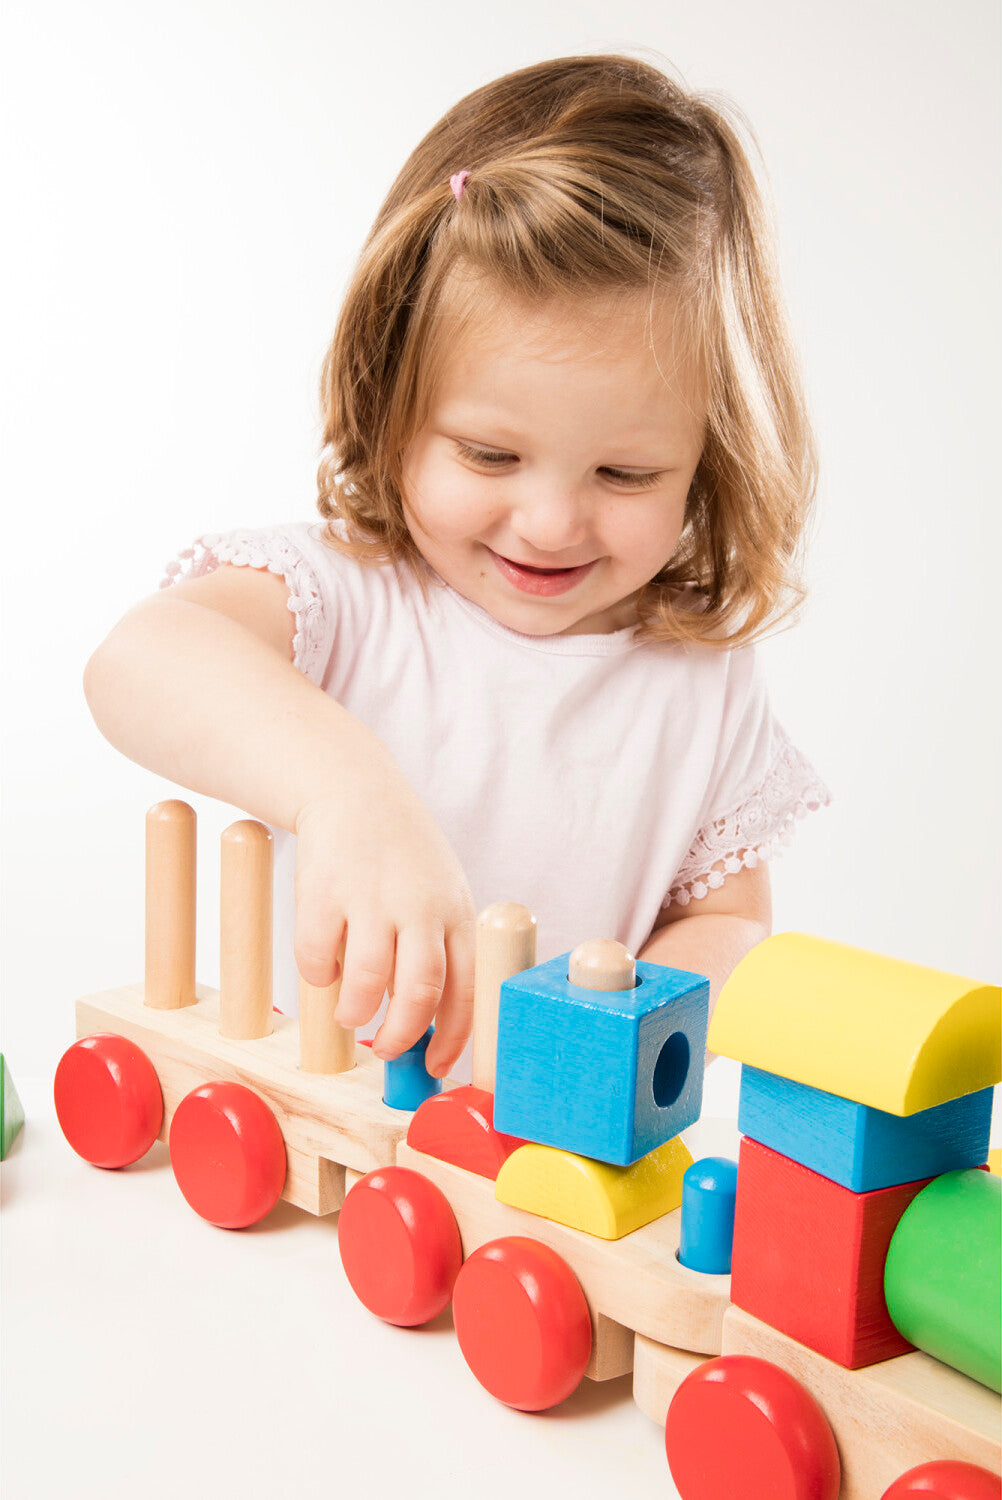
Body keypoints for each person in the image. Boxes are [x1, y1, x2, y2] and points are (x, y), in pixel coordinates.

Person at [83, 53, 830, 1085]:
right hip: (306, 1124)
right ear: (392, 404)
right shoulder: (349, 597)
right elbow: (140, 659)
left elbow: (729, 923)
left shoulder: (699, 681)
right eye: (489, 455)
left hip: (528, 1171)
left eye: (627, 471)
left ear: (708, 459)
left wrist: (609, 1034)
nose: (551, 520)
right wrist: (349, 793)